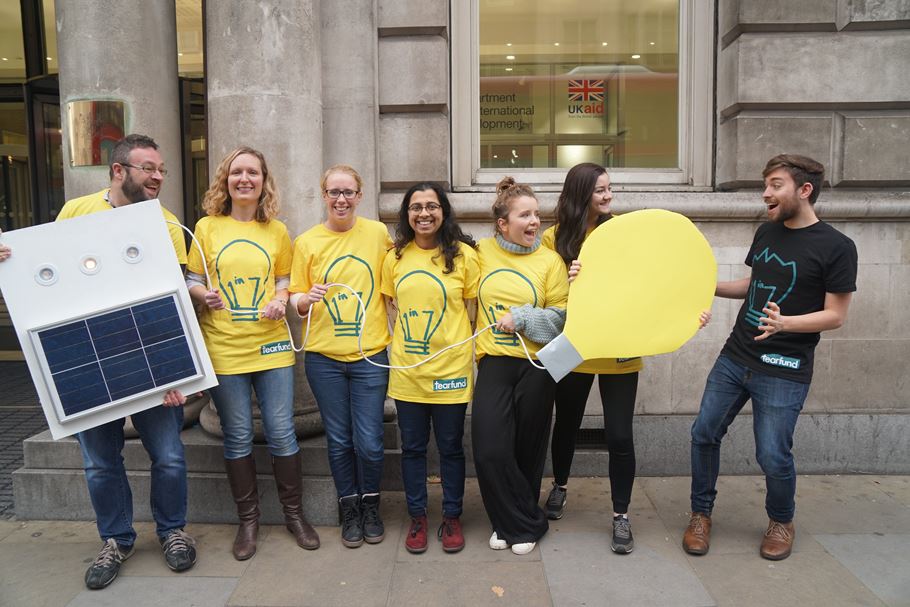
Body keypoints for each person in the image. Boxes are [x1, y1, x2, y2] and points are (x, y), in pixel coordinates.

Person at [682, 154, 857, 561]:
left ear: (804, 190)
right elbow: (753, 282)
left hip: (785, 368)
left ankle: (781, 521)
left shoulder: (837, 246)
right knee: (703, 432)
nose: (766, 193)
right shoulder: (767, 232)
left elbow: (836, 315)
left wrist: (786, 324)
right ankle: (700, 515)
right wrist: (703, 286)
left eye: (776, 185)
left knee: (772, 454)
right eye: (766, 185)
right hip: (735, 355)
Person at [39, 134, 195, 589]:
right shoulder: (75, 212)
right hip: (86, 360)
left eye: (161, 169)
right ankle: (116, 539)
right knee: (99, 464)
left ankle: (172, 532)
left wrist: (179, 369)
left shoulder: (167, 225)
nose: (158, 176)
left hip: (149, 360)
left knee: (168, 456)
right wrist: (11, 259)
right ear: (118, 170)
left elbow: (172, 304)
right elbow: (48, 274)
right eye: (149, 168)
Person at [186, 146, 319, 561]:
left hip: (272, 345)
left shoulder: (276, 231)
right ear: (226, 180)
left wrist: (282, 299)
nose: (245, 179)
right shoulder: (206, 227)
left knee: (281, 430)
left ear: (264, 181)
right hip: (224, 346)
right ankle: (249, 521)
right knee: (238, 434)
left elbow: (284, 280)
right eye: (237, 172)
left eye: (253, 173)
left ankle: (294, 516)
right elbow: (191, 278)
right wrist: (203, 295)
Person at [540, 162, 643, 554]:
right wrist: (569, 276)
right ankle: (561, 486)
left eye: (609, 188)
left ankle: (621, 515)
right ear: (581, 193)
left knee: (619, 434)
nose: (607, 196)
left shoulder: (620, 232)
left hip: (619, 348)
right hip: (575, 347)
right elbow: (545, 292)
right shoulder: (553, 238)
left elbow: (643, 283)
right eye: (600, 190)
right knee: (566, 424)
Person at [289, 164, 392, 548]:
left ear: (360, 196)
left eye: (348, 192)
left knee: (369, 440)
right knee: (339, 438)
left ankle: (371, 504)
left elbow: (395, 276)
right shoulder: (307, 242)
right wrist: (304, 299)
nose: (341, 199)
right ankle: (349, 507)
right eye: (334, 192)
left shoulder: (378, 233)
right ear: (324, 196)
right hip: (324, 357)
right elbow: (295, 298)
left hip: (371, 355)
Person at [472, 177, 569, 556]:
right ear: (502, 223)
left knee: (528, 450)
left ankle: (509, 524)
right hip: (494, 362)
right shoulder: (479, 253)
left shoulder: (551, 261)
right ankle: (527, 522)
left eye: (537, 215)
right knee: (490, 449)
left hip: (538, 365)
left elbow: (561, 320)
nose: (534, 222)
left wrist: (525, 318)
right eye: (525, 215)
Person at [380, 182, 479, 554]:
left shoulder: (465, 257)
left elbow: (471, 312)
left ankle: (452, 516)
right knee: (413, 449)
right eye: (416, 207)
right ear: (406, 214)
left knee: (451, 447)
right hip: (408, 372)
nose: (424, 213)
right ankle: (418, 517)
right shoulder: (394, 258)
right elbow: (392, 308)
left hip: (451, 372)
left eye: (432, 206)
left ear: (444, 212)